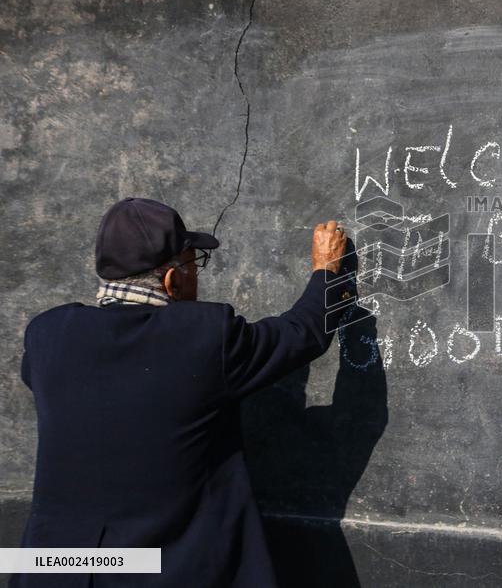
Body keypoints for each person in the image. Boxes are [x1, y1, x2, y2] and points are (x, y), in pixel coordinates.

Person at [12, 197, 355, 588]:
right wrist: (327, 272)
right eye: (195, 262)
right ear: (173, 279)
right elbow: (302, 333)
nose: (197, 273)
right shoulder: (203, 336)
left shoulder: (47, 335)